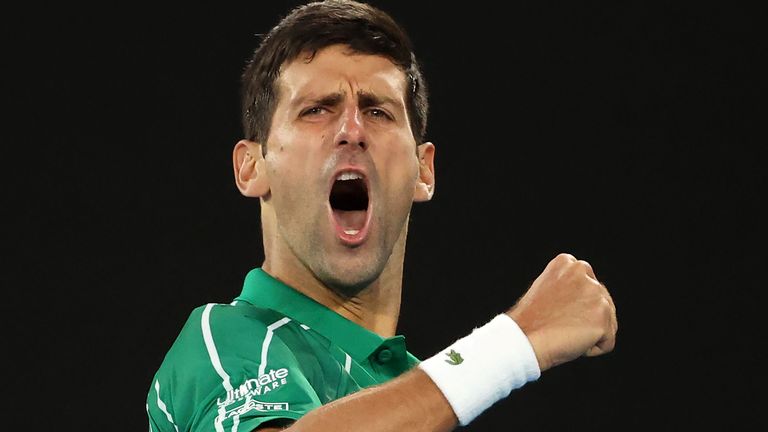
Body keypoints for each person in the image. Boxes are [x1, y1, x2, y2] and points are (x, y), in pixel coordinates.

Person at [145, 1, 618, 431]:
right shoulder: (222, 341)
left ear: (424, 171)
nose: (352, 129)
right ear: (252, 167)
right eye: (316, 110)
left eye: (378, 111)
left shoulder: (426, 400)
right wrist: (515, 342)